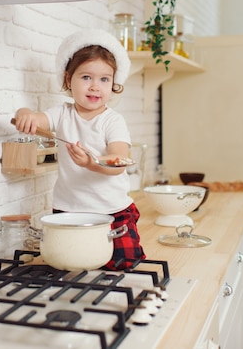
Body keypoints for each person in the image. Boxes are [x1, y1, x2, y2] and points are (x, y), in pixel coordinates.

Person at [13, 29, 146, 270]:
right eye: (86, 77)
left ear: (113, 83)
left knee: (124, 263)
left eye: (104, 79)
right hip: (68, 211)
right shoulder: (61, 113)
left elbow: (119, 160)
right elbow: (35, 118)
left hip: (112, 210)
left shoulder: (112, 120)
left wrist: (91, 163)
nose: (95, 87)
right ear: (67, 79)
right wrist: (24, 115)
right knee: (67, 263)